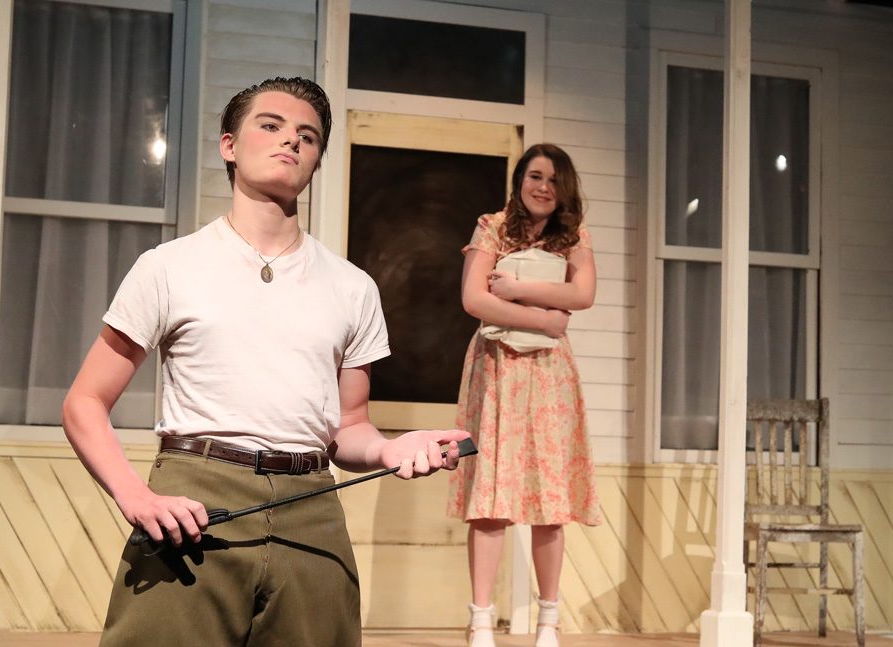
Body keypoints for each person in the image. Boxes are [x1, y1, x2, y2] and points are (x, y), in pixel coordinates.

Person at [62, 76, 468, 647]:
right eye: (271, 125)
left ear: (317, 160)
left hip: (311, 507)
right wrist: (135, 495)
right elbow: (84, 401)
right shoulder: (169, 267)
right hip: (196, 499)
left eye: (308, 135)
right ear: (229, 145)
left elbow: (348, 426)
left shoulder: (352, 287)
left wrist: (389, 449)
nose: (291, 140)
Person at [447, 143, 603, 647]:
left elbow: (582, 295)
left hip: (549, 375)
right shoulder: (493, 226)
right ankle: (481, 620)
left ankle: (549, 621)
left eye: (554, 180)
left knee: (549, 498)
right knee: (490, 497)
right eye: (535, 176)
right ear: (519, 181)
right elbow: (474, 298)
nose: (543, 187)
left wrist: (515, 290)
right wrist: (543, 317)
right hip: (497, 369)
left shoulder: (573, 235)